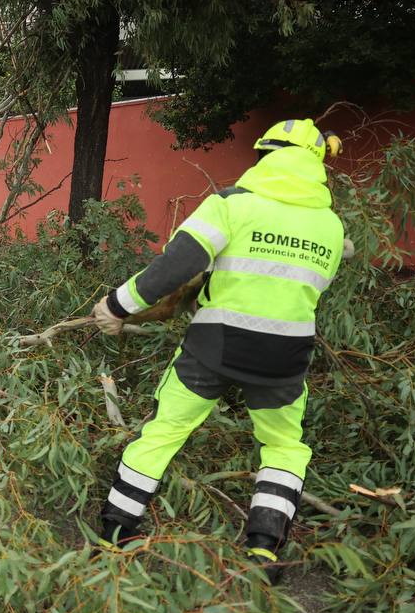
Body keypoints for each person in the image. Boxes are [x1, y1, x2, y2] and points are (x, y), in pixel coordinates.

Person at [91, 119, 346, 581]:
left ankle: (115, 534)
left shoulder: (232, 205)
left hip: (214, 347)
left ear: (267, 153)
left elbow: (176, 265)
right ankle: (264, 550)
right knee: (285, 446)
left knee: (164, 432)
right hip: (286, 358)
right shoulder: (330, 225)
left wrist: (116, 306)